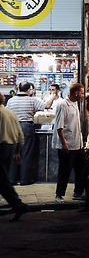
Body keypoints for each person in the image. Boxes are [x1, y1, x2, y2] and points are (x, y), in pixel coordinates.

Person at [6, 81, 54, 185]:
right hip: (26, 127)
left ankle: (11, 179)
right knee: (26, 153)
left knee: (14, 153)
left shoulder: (10, 101)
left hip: (13, 127)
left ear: (18, 89)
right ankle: (25, 180)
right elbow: (47, 106)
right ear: (29, 90)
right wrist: (52, 97)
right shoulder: (32, 100)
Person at [53, 83, 86, 204]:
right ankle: (59, 195)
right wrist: (63, 143)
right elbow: (59, 126)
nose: (83, 95)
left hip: (78, 143)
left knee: (81, 169)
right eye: (82, 93)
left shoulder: (75, 103)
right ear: (76, 92)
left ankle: (78, 192)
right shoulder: (62, 104)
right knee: (64, 171)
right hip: (67, 144)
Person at [0, 92, 29, 222]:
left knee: (2, 180)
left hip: (1, 147)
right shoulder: (10, 113)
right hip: (11, 147)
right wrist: (17, 151)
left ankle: (18, 205)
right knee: (2, 177)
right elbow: (20, 134)